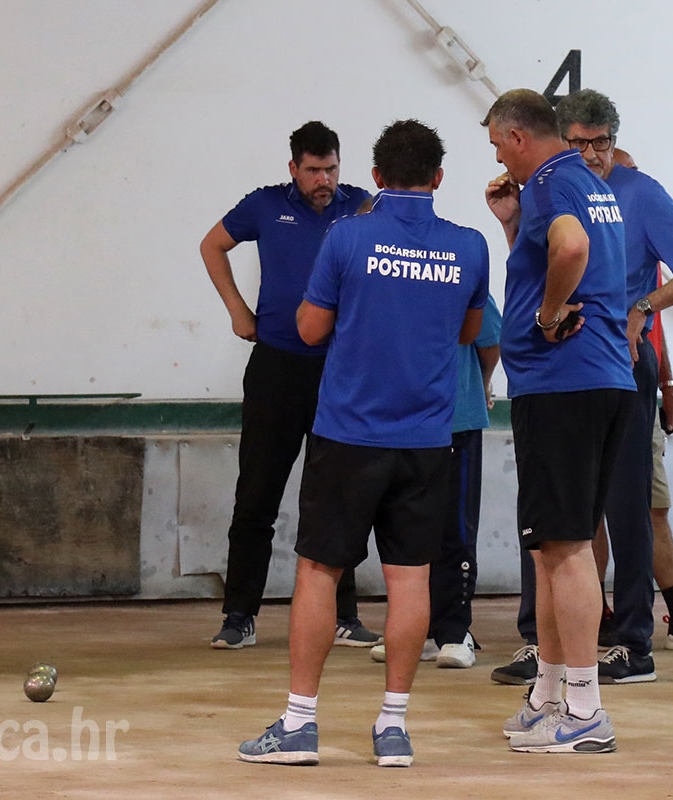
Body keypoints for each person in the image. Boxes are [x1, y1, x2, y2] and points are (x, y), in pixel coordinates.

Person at [238, 119, 489, 767]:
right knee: (411, 579)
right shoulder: (470, 246)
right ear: (439, 177)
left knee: (319, 570)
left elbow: (310, 329)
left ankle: (299, 724)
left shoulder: (348, 236)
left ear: (375, 177)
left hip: (349, 433)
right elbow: (469, 333)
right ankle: (394, 727)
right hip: (427, 438)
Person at [483, 88, 631, 754]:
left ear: (518, 138)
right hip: (597, 381)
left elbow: (569, 249)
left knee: (566, 550)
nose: (499, 159)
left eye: (498, 146)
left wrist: (546, 316)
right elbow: (563, 250)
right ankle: (548, 694)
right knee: (551, 548)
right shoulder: (589, 183)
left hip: (563, 383)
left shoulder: (549, 182)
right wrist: (515, 228)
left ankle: (585, 710)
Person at [200, 121, 380, 650]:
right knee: (256, 494)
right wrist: (238, 311)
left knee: (338, 497)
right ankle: (239, 616)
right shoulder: (265, 205)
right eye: (313, 170)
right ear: (293, 169)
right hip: (276, 367)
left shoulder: (362, 207)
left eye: (331, 169)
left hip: (338, 372)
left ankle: (344, 616)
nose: (324, 180)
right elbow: (212, 246)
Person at [369, 295, 502, 669]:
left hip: (456, 419)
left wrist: (482, 384)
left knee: (455, 530)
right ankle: (415, 630)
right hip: (401, 421)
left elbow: (490, 341)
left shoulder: (464, 274)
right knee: (406, 529)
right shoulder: (389, 277)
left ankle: (455, 631)